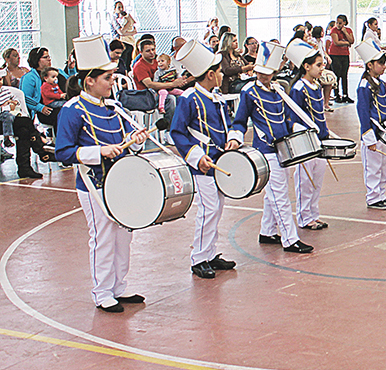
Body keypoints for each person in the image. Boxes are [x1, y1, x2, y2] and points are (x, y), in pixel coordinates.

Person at [55, 35, 150, 312]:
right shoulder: (72, 110)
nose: (112, 82)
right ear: (89, 81)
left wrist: (136, 137)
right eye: (107, 78)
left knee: (124, 234)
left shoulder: (113, 107)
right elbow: (63, 152)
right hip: (93, 184)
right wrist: (99, 152)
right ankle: (102, 292)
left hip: (120, 181)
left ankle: (119, 287)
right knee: (103, 236)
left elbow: (125, 136)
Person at [230, 42, 314, 253]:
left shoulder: (279, 91)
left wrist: (300, 128)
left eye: (267, 73)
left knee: (274, 194)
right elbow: (240, 120)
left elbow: (285, 119)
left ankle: (267, 232)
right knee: (280, 195)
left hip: (283, 149)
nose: (263, 76)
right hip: (265, 150)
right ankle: (290, 239)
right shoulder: (249, 92)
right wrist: (235, 138)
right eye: (260, 72)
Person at [169, 40, 238, 279]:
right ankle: (198, 258)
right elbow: (177, 132)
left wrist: (232, 139)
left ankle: (209, 252)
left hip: (220, 160)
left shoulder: (216, 97)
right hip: (203, 165)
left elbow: (226, 123)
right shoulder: (189, 98)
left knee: (217, 208)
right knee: (208, 210)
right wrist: (196, 156)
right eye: (219, 72)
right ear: (210, 75)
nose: (221, 75)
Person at [287, 39, 330, 230]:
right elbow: (291, 118)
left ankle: (314, 213)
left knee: (317, 180)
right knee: (305, 180)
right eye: (318, 65)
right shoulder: (298, 89)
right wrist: (304, 131)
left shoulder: (317, 87)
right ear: (306, 66)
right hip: (305, 142)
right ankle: (304, 217)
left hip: (320, 140)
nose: (322, 69)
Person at [356, 39, 386, 210]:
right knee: (372, 168)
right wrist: (368, 137)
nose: (383, 67)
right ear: (369, 65)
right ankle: (373, 197)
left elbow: (384, 109)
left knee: (382, 167)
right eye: (380, 63)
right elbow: (363, 111)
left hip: (383, 132)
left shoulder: (381, 84)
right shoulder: (364, 86)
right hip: (372, 133)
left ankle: (381, 194)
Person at [120, 38, 187, 128]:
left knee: (183, 97)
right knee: (170, 99)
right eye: (148, 51)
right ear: (141, 52)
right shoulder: (139, 66)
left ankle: (181, 126)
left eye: (153, 49)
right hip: (147, 95)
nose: (152, 52)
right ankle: (168, 130)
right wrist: (172, 84)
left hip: (164, 90)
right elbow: (150, 84)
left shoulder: (158, 61)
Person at [0, 85, 52, 178]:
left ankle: (25, 168)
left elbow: (14, 104)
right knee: (25, 123)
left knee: (23, 130)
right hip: (3, 119)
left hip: (7, 119)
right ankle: (41, 151)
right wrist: (5, 107)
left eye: (1, 79)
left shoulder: (5, 91)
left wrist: (10, 105)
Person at [327, 15, 354, 103]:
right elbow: (336, 42)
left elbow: (352, 41)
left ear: (344, 23)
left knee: (344, 75)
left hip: (345, 54)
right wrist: (346, 43)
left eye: (340, 23)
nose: (338, 25)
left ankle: (345, 94)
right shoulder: (334, 30)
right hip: (335, 54)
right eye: (337, 23)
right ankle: (337, 94)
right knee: (337, 75)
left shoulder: (348, 30)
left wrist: (345, 33)